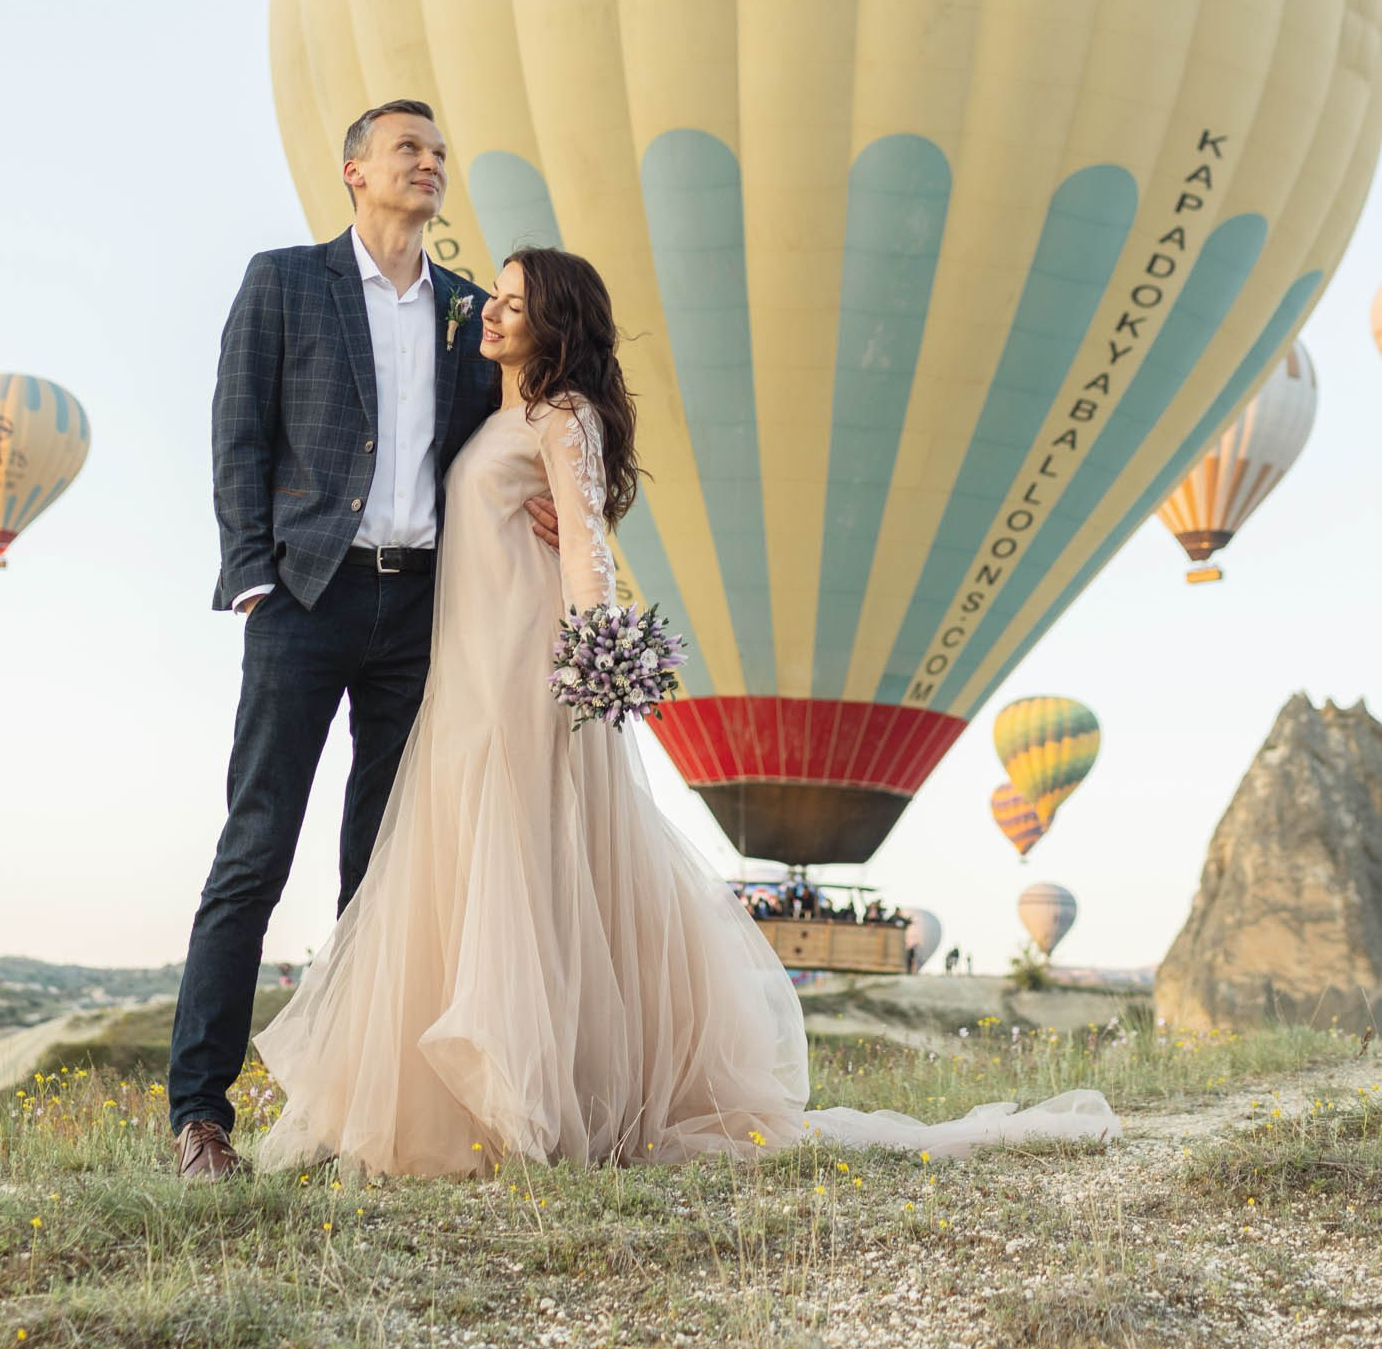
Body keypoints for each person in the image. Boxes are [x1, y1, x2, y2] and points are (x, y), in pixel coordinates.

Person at [255, 245, 1117, 1176]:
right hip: (462, 673)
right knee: (469, 874)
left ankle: (530, 1106)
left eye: (513, 303)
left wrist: (599, 654)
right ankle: (465, 1105)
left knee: (521, 875)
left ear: (555, 322)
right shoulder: (503, 413)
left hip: (520, 675)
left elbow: (585, 544)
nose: (493, 315)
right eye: (492, 300)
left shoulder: (566, 414)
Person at [166, 100, 557, 1185]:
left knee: (388, 872)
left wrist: (570, 505)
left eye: (439, 153)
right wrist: (253, 579)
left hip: (423, 614)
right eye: (408, 150)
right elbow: (237, 432)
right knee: (255, 853)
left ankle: (357, 1112)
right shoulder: (284, 282)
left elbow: (533, 420)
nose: (430, 164)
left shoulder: (473, 313)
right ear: (354, 173)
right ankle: (201, 1118)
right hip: (303, 600)